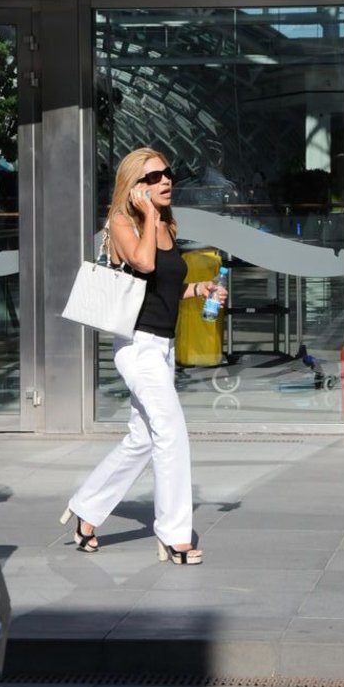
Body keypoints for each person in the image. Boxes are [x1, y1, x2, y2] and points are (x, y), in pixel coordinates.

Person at [61, 147, 227, 565]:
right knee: (171, 432)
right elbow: (144, 263)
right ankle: (174, 535)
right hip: (137, 347)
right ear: (135, 186)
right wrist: (149, 216)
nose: (165, 181)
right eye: (153, 177)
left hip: (163, 346)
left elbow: (167, 286)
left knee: (143, 438)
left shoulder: (167, 223)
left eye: (167, 174)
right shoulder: (123, 222)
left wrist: (201, 289)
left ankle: (86, 509)